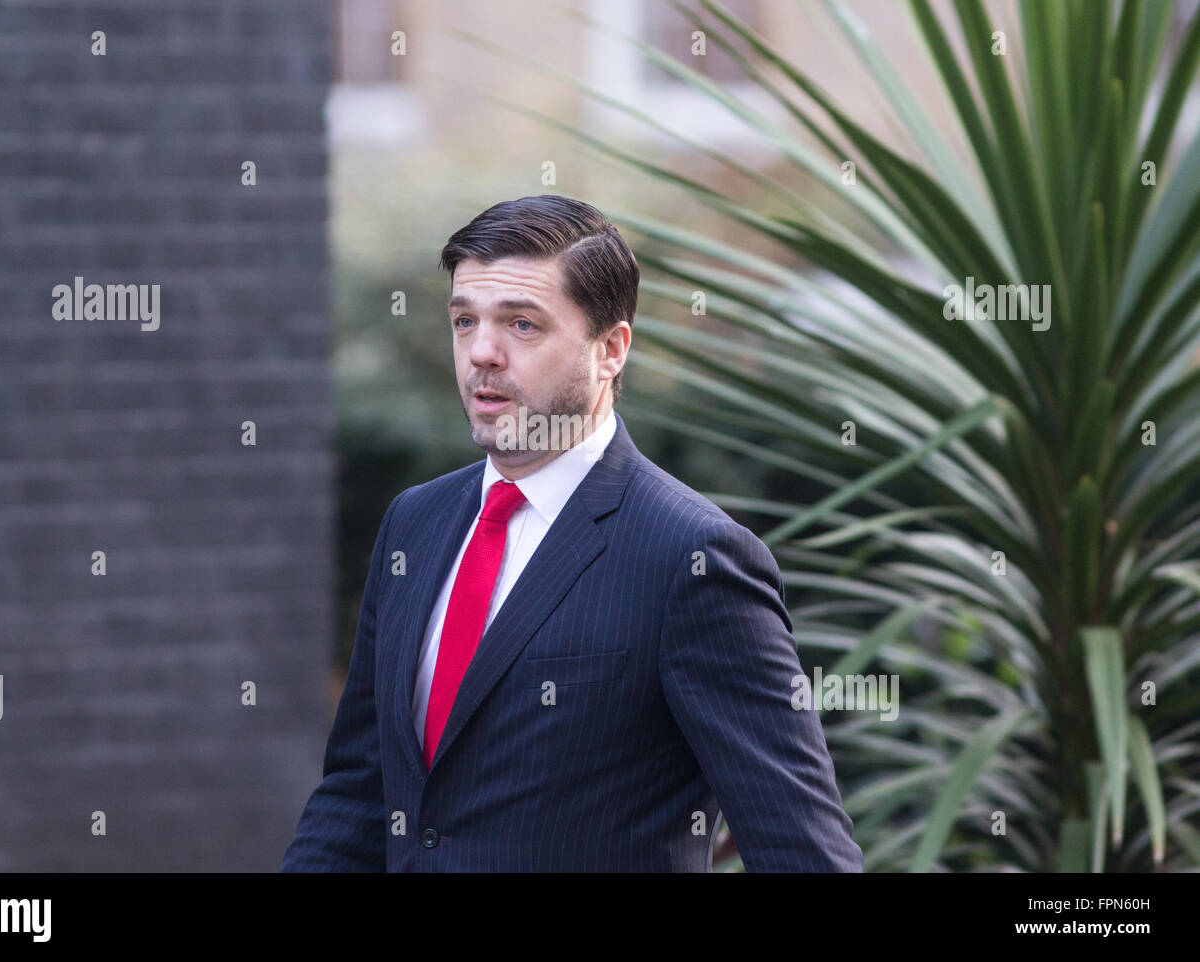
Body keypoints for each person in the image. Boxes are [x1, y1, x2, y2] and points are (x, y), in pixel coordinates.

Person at [281, 194, 863, 872]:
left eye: (522, 325)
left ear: (611, 348)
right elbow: (358, 793)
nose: (482, 353)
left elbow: (804, 853)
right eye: (464, 320)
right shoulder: (415, 522)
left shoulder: (692, 559)